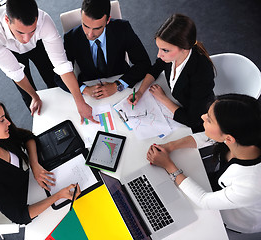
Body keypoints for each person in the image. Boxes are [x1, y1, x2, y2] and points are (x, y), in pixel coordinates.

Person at [147, 94, 261, 233]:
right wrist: (170, 146)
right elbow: (209, 137)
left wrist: (168, 166)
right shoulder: (244, 137)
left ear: (229, 138)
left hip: (234, 216)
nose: (202, 117)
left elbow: (204, 201)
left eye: (209, 119)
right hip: (221, 185)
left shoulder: (251, 183)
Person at [0, 98, 80, 224]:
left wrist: (34, 164)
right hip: (32, 204)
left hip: (35, 183)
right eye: (1, 120)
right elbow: (20, 216)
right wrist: (58, 196)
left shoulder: (1, 136)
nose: (8, 122)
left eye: (5, 117)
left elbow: (27, 137)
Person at [0, 0, 96, 124]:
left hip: (38, 43)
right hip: (9, 49)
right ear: (7, 21)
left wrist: (80, 102)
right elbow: (16, 73)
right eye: (20, 32)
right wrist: (35, 96)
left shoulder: (44, 21)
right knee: (28, 96)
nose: (26, 39)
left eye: (31, 31)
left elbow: (62, 65)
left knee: (54, 79)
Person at [128, 14, 215, 132]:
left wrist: (163, 98)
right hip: (179, 104)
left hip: (198, 120)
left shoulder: (202, 73)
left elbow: (192, 120)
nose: (159, 55)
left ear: (184, 48)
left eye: (165, 50)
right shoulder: (170, 57)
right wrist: (140, 92)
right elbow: (156, 68)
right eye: (159, 48)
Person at [55, 0, 151, 99]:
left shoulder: (123, 28)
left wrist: (117, 85)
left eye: (97, 28)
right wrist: (85, 89)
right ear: (81, 14)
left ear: (108, 20)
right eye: (86, 26)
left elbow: (143, 63)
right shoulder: (71, 38)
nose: (90, 34)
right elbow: (59, 75)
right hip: (89, 85)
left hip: (120, 79)